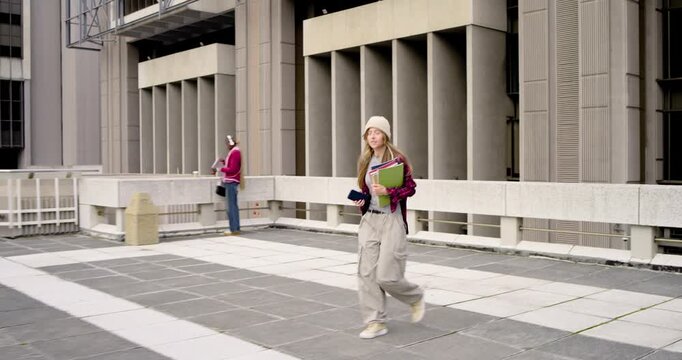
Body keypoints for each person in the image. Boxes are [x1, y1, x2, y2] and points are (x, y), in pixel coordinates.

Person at [352, 115, 425, 339]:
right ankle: (375, 322)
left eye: (377, 132)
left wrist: (390, 192)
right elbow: (367, 189)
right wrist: (362, 198)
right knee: (366, 273)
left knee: (387, 275)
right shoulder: (365, 160)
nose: (372, 136)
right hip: (370, 221)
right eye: (369, 133)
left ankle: (414, 297)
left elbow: (410, 188)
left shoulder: (397, 159)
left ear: (385, 135)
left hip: (391, 219)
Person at [219, 135, 242, 235]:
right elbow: (233, 166)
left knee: (231, 207)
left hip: (231, 182)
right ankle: (235, 228)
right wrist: (224, 162)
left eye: (227, 143)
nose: (227, 146)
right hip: (232, 181)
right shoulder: (235, 152)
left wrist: (220, 169)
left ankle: (234, 229)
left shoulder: (235, 152)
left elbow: (233, 169)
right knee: (233, 206)